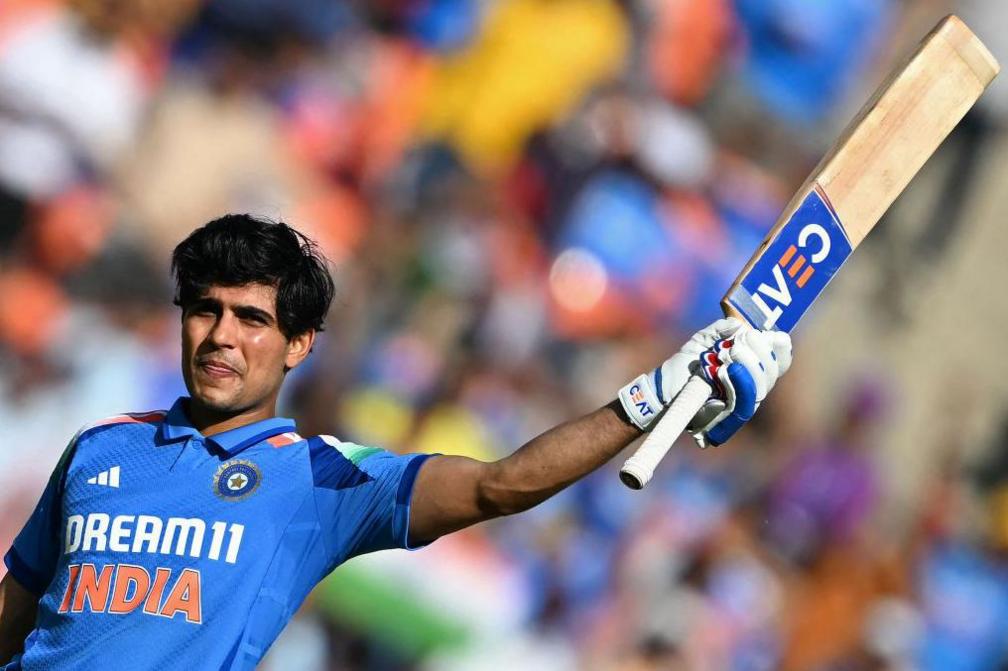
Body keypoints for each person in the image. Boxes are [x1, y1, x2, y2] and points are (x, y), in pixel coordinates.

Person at [0, 215, 791, 670]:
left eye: (252, 319)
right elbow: (15, 611)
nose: (220, 337)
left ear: (299, 343)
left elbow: (498, 484)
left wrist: (649, 398)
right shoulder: (100, 448)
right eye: (205, 310)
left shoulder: (316, 478)